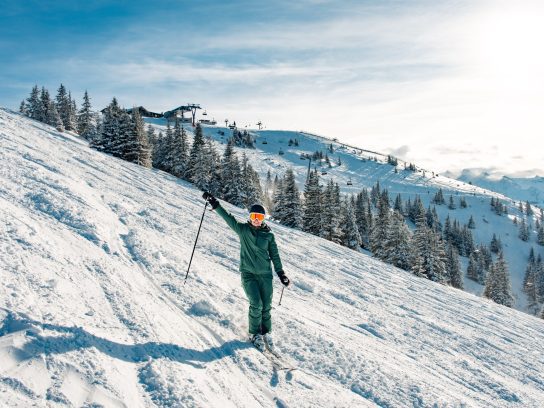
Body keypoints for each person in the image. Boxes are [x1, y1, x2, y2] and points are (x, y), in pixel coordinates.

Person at [202, 192, 290, 352]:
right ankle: (254, 333)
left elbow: (275, 255)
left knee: (266, 306)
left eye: (260, 217)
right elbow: (229, 219)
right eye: (254, 216)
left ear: (263, 219)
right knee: (256, 303)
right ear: (250, 217)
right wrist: (215, 204)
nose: (257, 219)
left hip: (265, 276)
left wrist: (281, 273)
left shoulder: (269, 236)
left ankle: (266, 332)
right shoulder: (243, 230)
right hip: (248, 275)